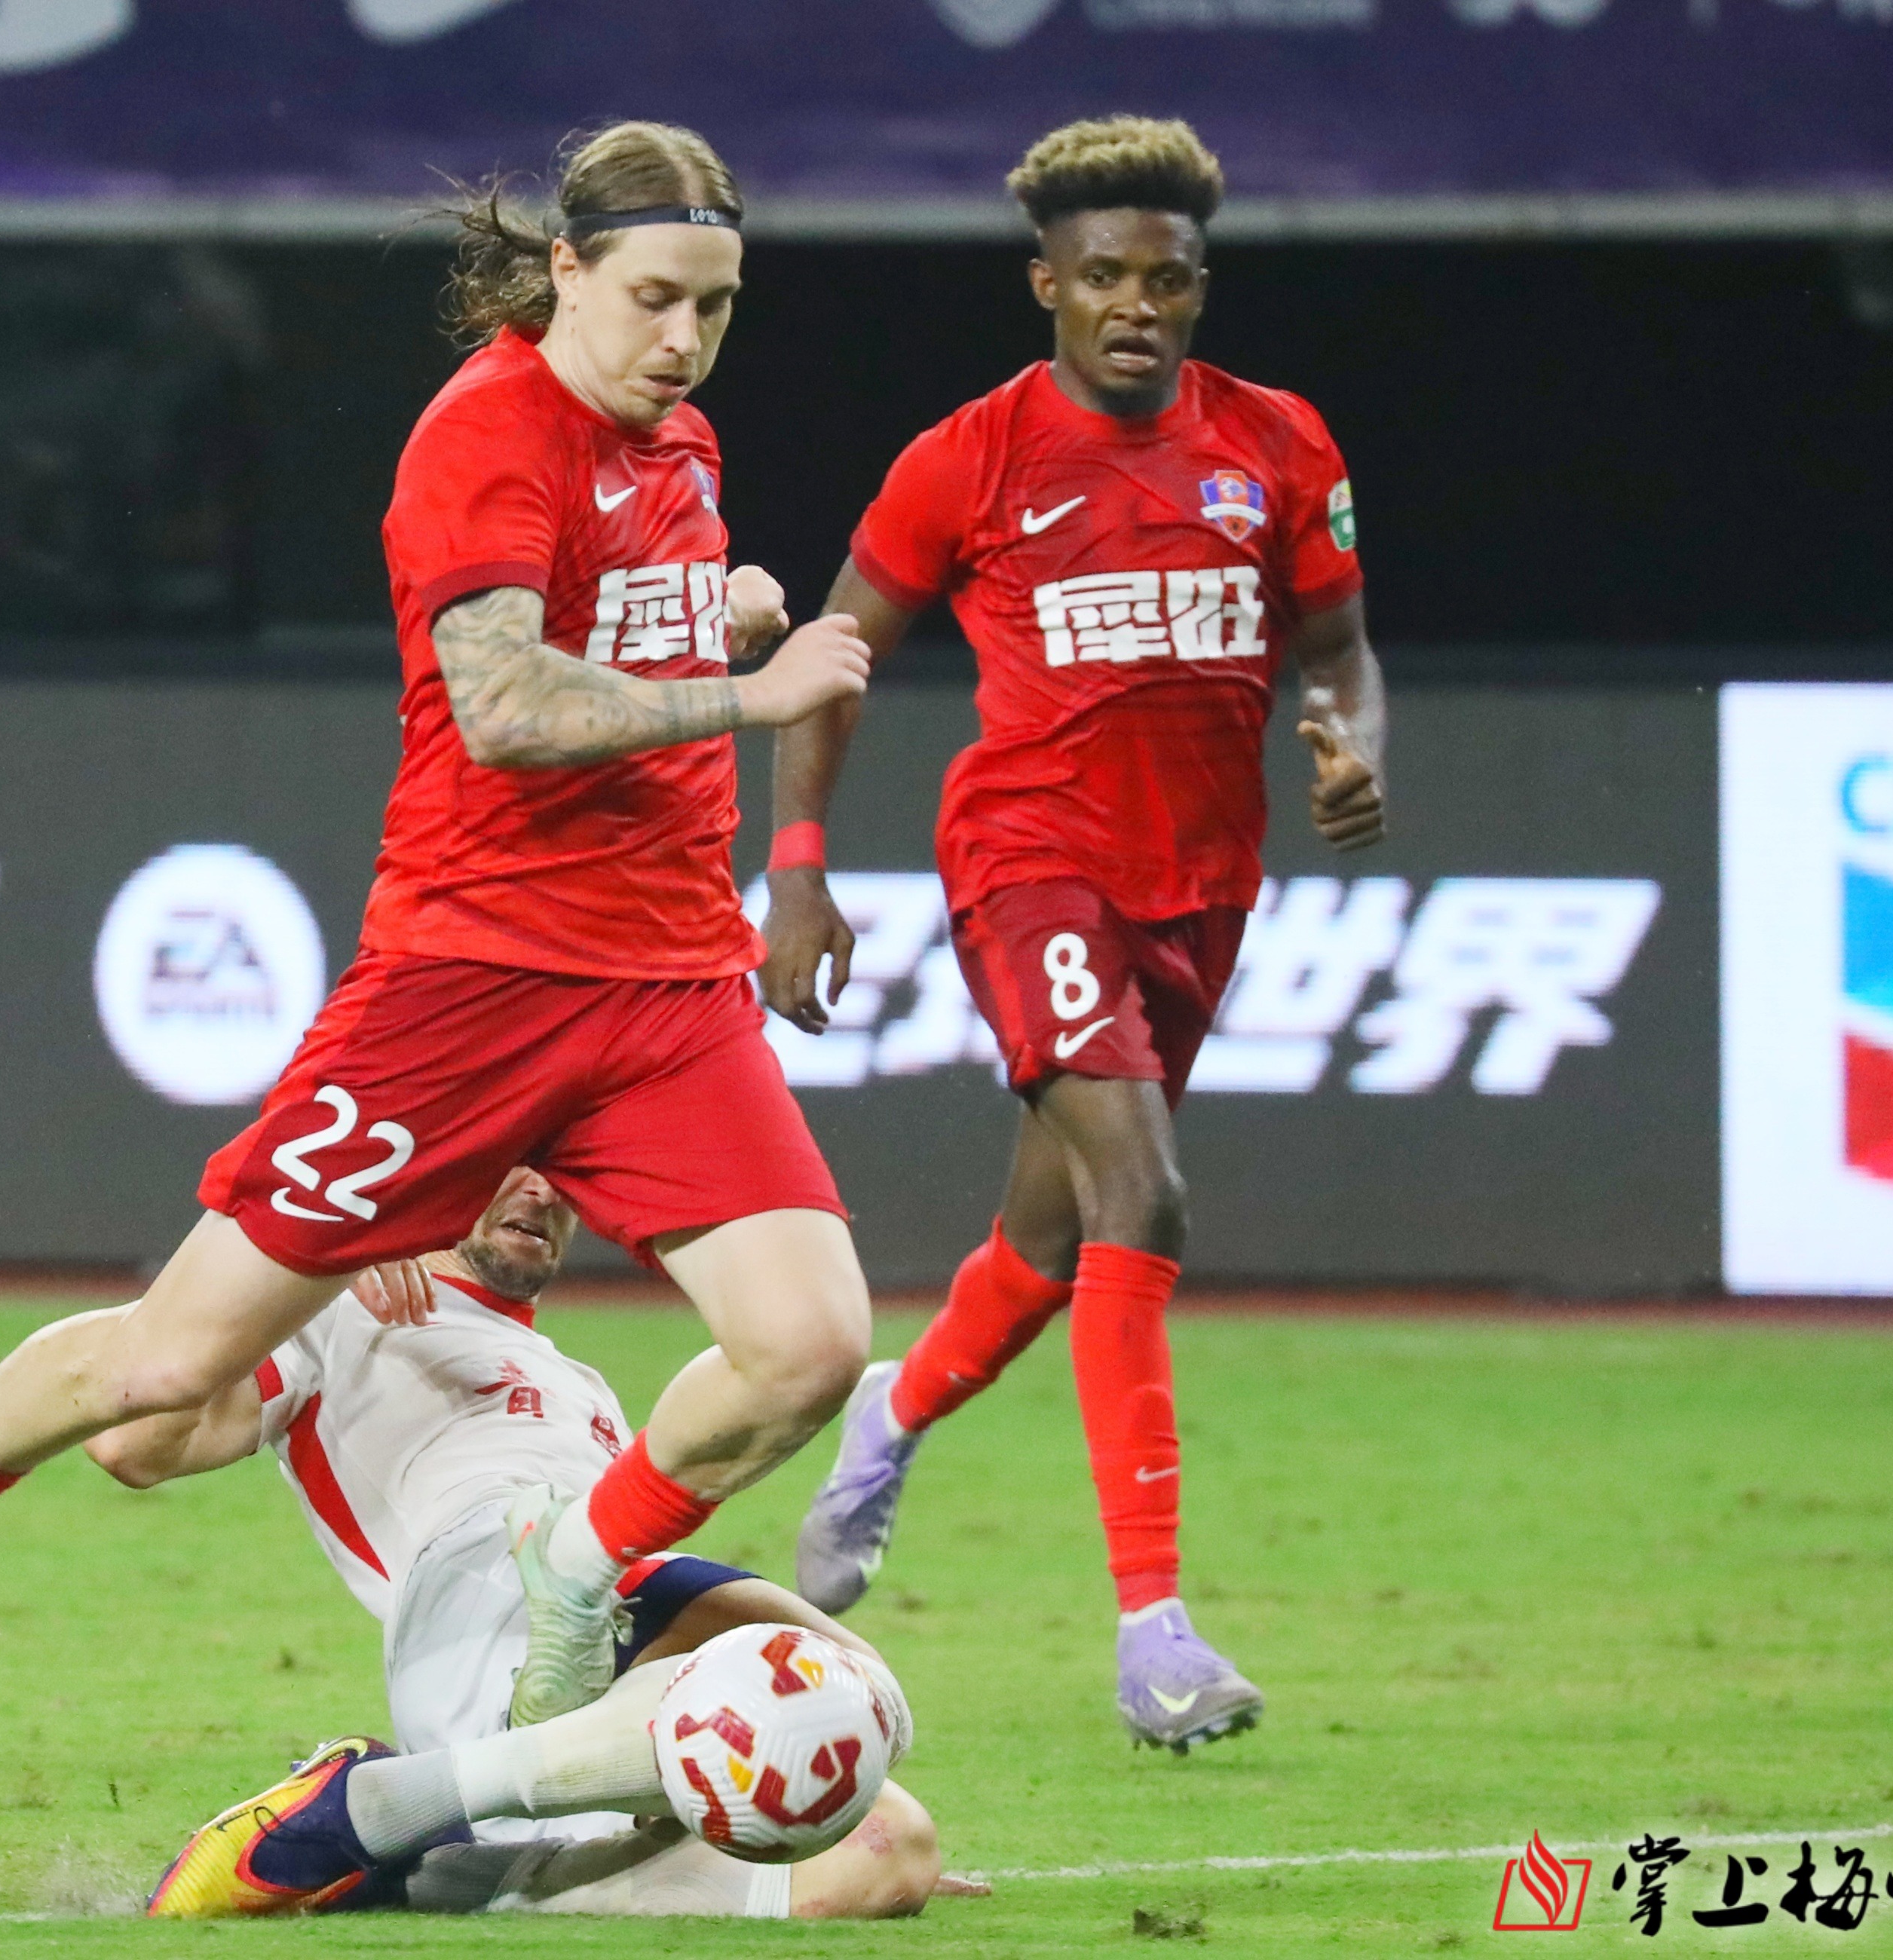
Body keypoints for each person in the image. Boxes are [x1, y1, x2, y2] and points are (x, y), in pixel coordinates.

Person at [0, 121, 880, 1727]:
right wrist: (750, 689)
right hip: (467, 988)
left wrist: (716, 614)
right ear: (565, 270)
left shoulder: (677, 443)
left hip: (667, 991)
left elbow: (613, 628)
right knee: (161, 1374)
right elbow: (501, 705)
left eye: (715, 306)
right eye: (653, 298)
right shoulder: (487, 432)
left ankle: (574, 1568)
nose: (683, 339)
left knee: (807, 1345)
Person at [763, 117, 1389, 1753]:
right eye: (1102, 276)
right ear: (1045, 285)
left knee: (1047, 1247)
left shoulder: (1275, 442)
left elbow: (1337, 651)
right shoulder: (966, 458)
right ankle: (1152, 1635)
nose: (1134, 305)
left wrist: (1349, 744)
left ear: (1197, 289)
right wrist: (798, 866)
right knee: (1143, 1194)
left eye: (1163, 281)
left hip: (1203, 885)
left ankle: (892, 1411)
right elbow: (833, 655)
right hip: (1028, 863)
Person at [87, 1165, 965, 1921]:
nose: (542, 1190)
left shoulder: (580, 1381)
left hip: (584, 1635)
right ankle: (381, 1810)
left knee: (887, 1847)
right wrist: (312, 1263)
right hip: (486, 1599)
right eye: (512, 1159)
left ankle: (416, 1858)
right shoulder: (343, 1309)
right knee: (855, 1689)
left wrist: (813, 1815)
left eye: (561, 1171)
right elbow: (132, 1441)